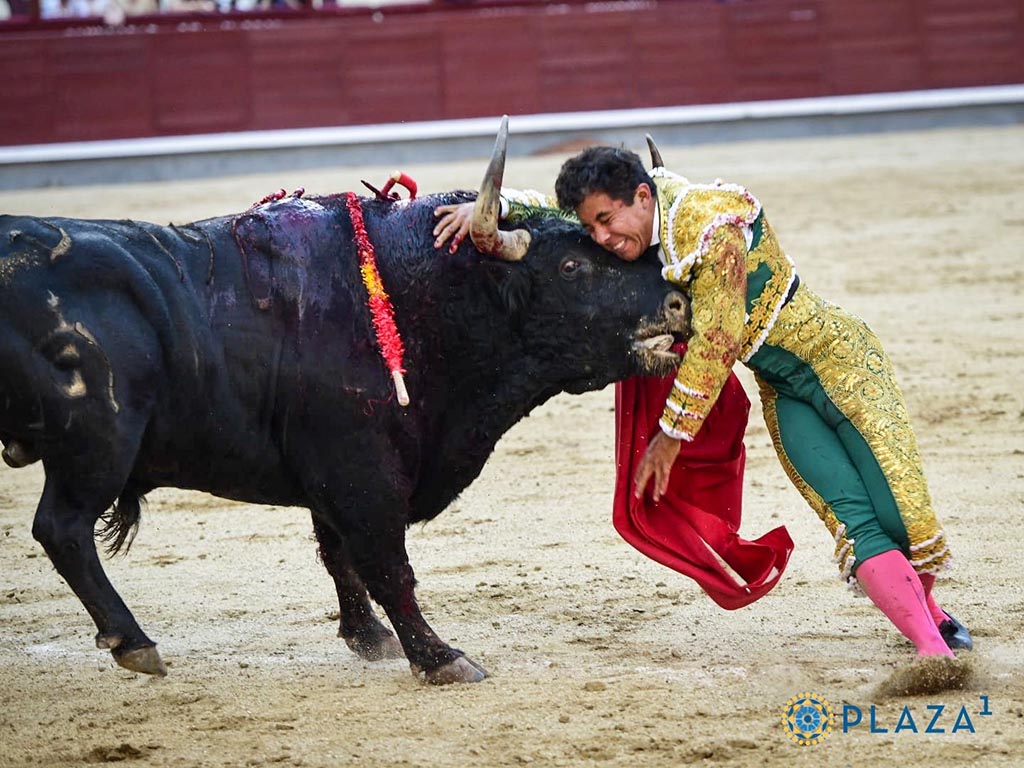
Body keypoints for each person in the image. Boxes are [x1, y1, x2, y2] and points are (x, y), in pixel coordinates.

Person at [433, 141, 972, 663]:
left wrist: (669, 439)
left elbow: (716, 342)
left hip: (844, 366)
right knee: (853, 520)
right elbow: (560, 212)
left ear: (643, 198)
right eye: (592, 225)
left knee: (897, 509)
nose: (599, 237)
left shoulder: (712, 226)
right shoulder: (638, 215)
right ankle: (933, 652)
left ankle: (930, 612)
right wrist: (497, 208)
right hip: (784, 391)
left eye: (607, 220)